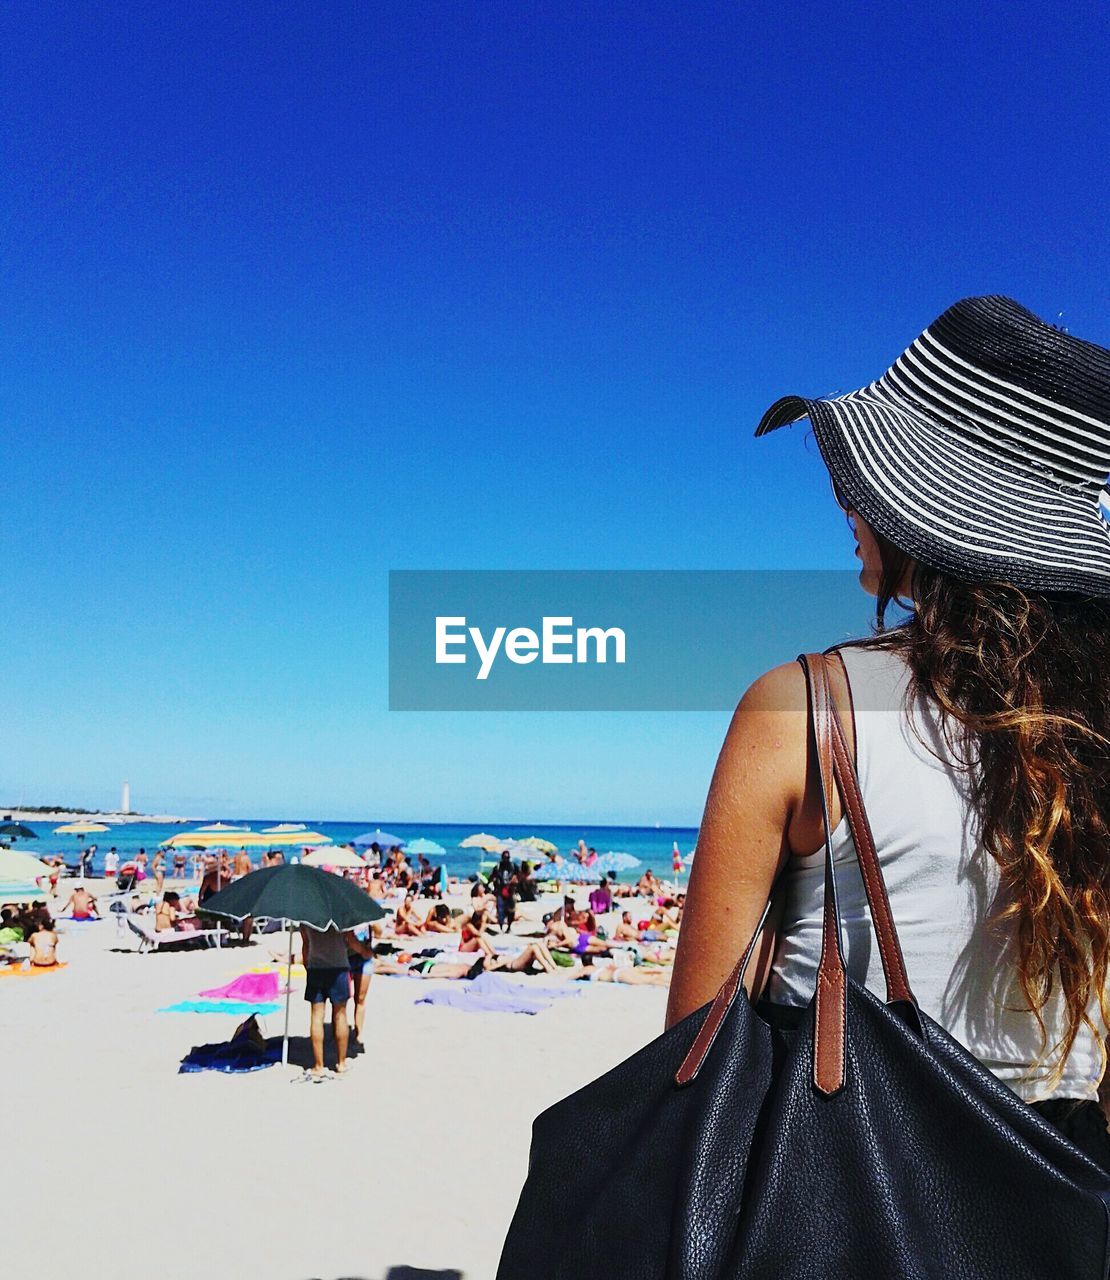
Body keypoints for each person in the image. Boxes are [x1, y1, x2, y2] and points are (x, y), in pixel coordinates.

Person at [666, 297, 1110, 1171]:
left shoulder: (803, 708)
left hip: (843, 1188)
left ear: (931, 511)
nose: (849, 506)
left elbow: (692, 1052)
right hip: (1062, 1199)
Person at [300, 924, 353, 1080]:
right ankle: (341, 1063)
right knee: (341, 1015)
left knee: (317, 1016)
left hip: (316, 967)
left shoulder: (307, 918)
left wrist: (306, 965)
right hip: (339, 966)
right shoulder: (341, 916)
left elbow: (306, 945)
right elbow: (349, 939)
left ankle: (318, 1065)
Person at [346, 927, 375, 1045]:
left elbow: (378, 932)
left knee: (360, 999)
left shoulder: (368, 914)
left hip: (364, 958)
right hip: (346, 957)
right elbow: (349, 938)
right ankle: (338, 1034)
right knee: (341, 1001)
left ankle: (358, 1034)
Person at [488, 851, 518, 933]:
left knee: (511, 910)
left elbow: (518, 876)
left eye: (507, 858)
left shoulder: (513, 866)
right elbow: (491, 877)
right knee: (500, 908)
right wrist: (488, 885)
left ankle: (509, 926)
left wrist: (515, 881)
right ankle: (501, 926)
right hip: (500, 890)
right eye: (504, 858)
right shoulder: (498, 867)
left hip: (510, 890)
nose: (506, 859)